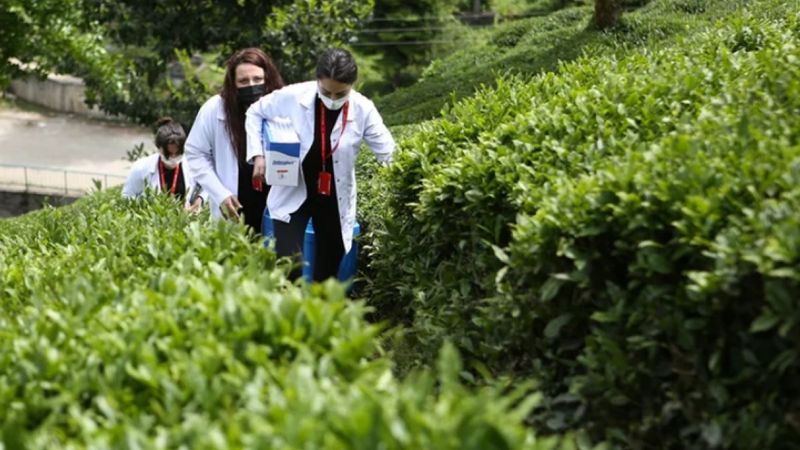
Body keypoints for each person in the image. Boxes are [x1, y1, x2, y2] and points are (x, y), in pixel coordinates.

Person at [245, 47, 395, 282]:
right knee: (288, 266)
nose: (332, 100)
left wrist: (399, 175)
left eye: (341, 94)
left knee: (327, 274)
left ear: (353, 85)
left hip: (334, 197)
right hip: (294, 187)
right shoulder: (294, 96)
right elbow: (255, 112)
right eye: (326, 92)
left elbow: (388, 151)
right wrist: (258, 155)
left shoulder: (363, 109)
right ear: (317, 80)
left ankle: (318, 315)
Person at [184, 47, 284, 233]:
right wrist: (220, 194)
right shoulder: (215, 109)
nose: (252, 85)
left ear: (268, 78)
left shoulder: (284, 106)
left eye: (258, 79)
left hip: (277, 202)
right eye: (243, 81)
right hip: (234, 204)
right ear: (233, 83)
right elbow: (195, 152)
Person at [122, 117, 203, 211]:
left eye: (177, 153)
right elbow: (126, 197)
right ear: (158, 148)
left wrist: (199, 200)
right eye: (169, 154)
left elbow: (205, 187)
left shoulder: (192, 164)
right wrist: (146, 208)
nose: (173, 157)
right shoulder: (141, 168)